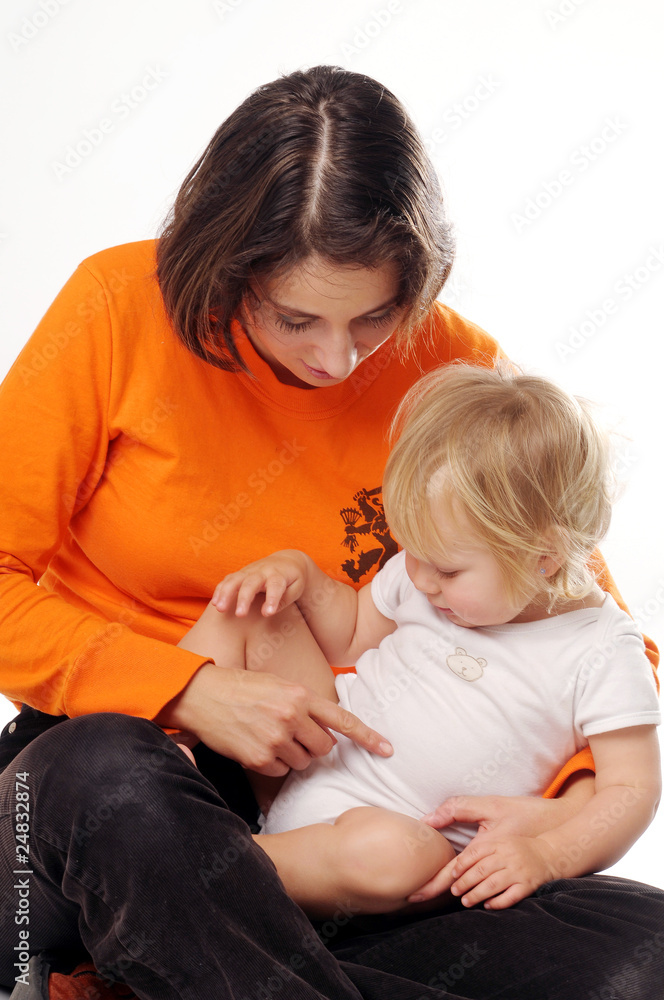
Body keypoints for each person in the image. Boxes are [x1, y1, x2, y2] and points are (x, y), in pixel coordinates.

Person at [0, 64, 661, 1000]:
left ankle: (161, 955)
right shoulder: (115, 308)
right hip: (136, 768)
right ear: (225, 272)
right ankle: (163, 927)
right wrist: (186, 691)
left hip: (361, 814)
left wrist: (553, 828)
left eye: (376, 317)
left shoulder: (456, 371)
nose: (337, 357)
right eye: (296, 318)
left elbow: (577, 604)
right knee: (107, 779)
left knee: (644, 951)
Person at [209, 363, 661, 918]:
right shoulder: (427, 571)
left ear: (544, 558)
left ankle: (213, 868)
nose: (418, 578)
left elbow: (631, 791)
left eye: (446, 570)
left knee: (397, 856)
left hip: (389, 835)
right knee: (253, 609)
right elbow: (349, 637)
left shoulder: (603, 650)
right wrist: (296, 571)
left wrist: (547, 854)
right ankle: (156, 756)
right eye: (410, 551)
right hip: (306, 756)